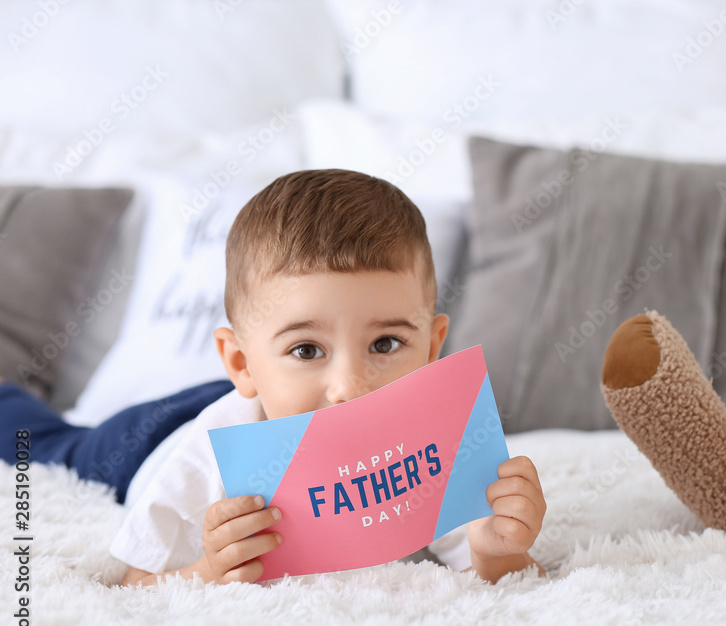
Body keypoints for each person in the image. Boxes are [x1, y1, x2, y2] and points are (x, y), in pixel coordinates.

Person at [3, 169, 547, 587]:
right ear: (241, 362)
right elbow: (133, 584)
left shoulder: (440, 442)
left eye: (385, 344)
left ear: (431, 349)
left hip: (280, 395)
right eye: (308, 348)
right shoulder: (207, 456)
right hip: (149, 436)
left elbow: (491, 569)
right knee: (49, 442)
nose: (349, 387)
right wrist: (205, 573)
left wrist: (499, 548)